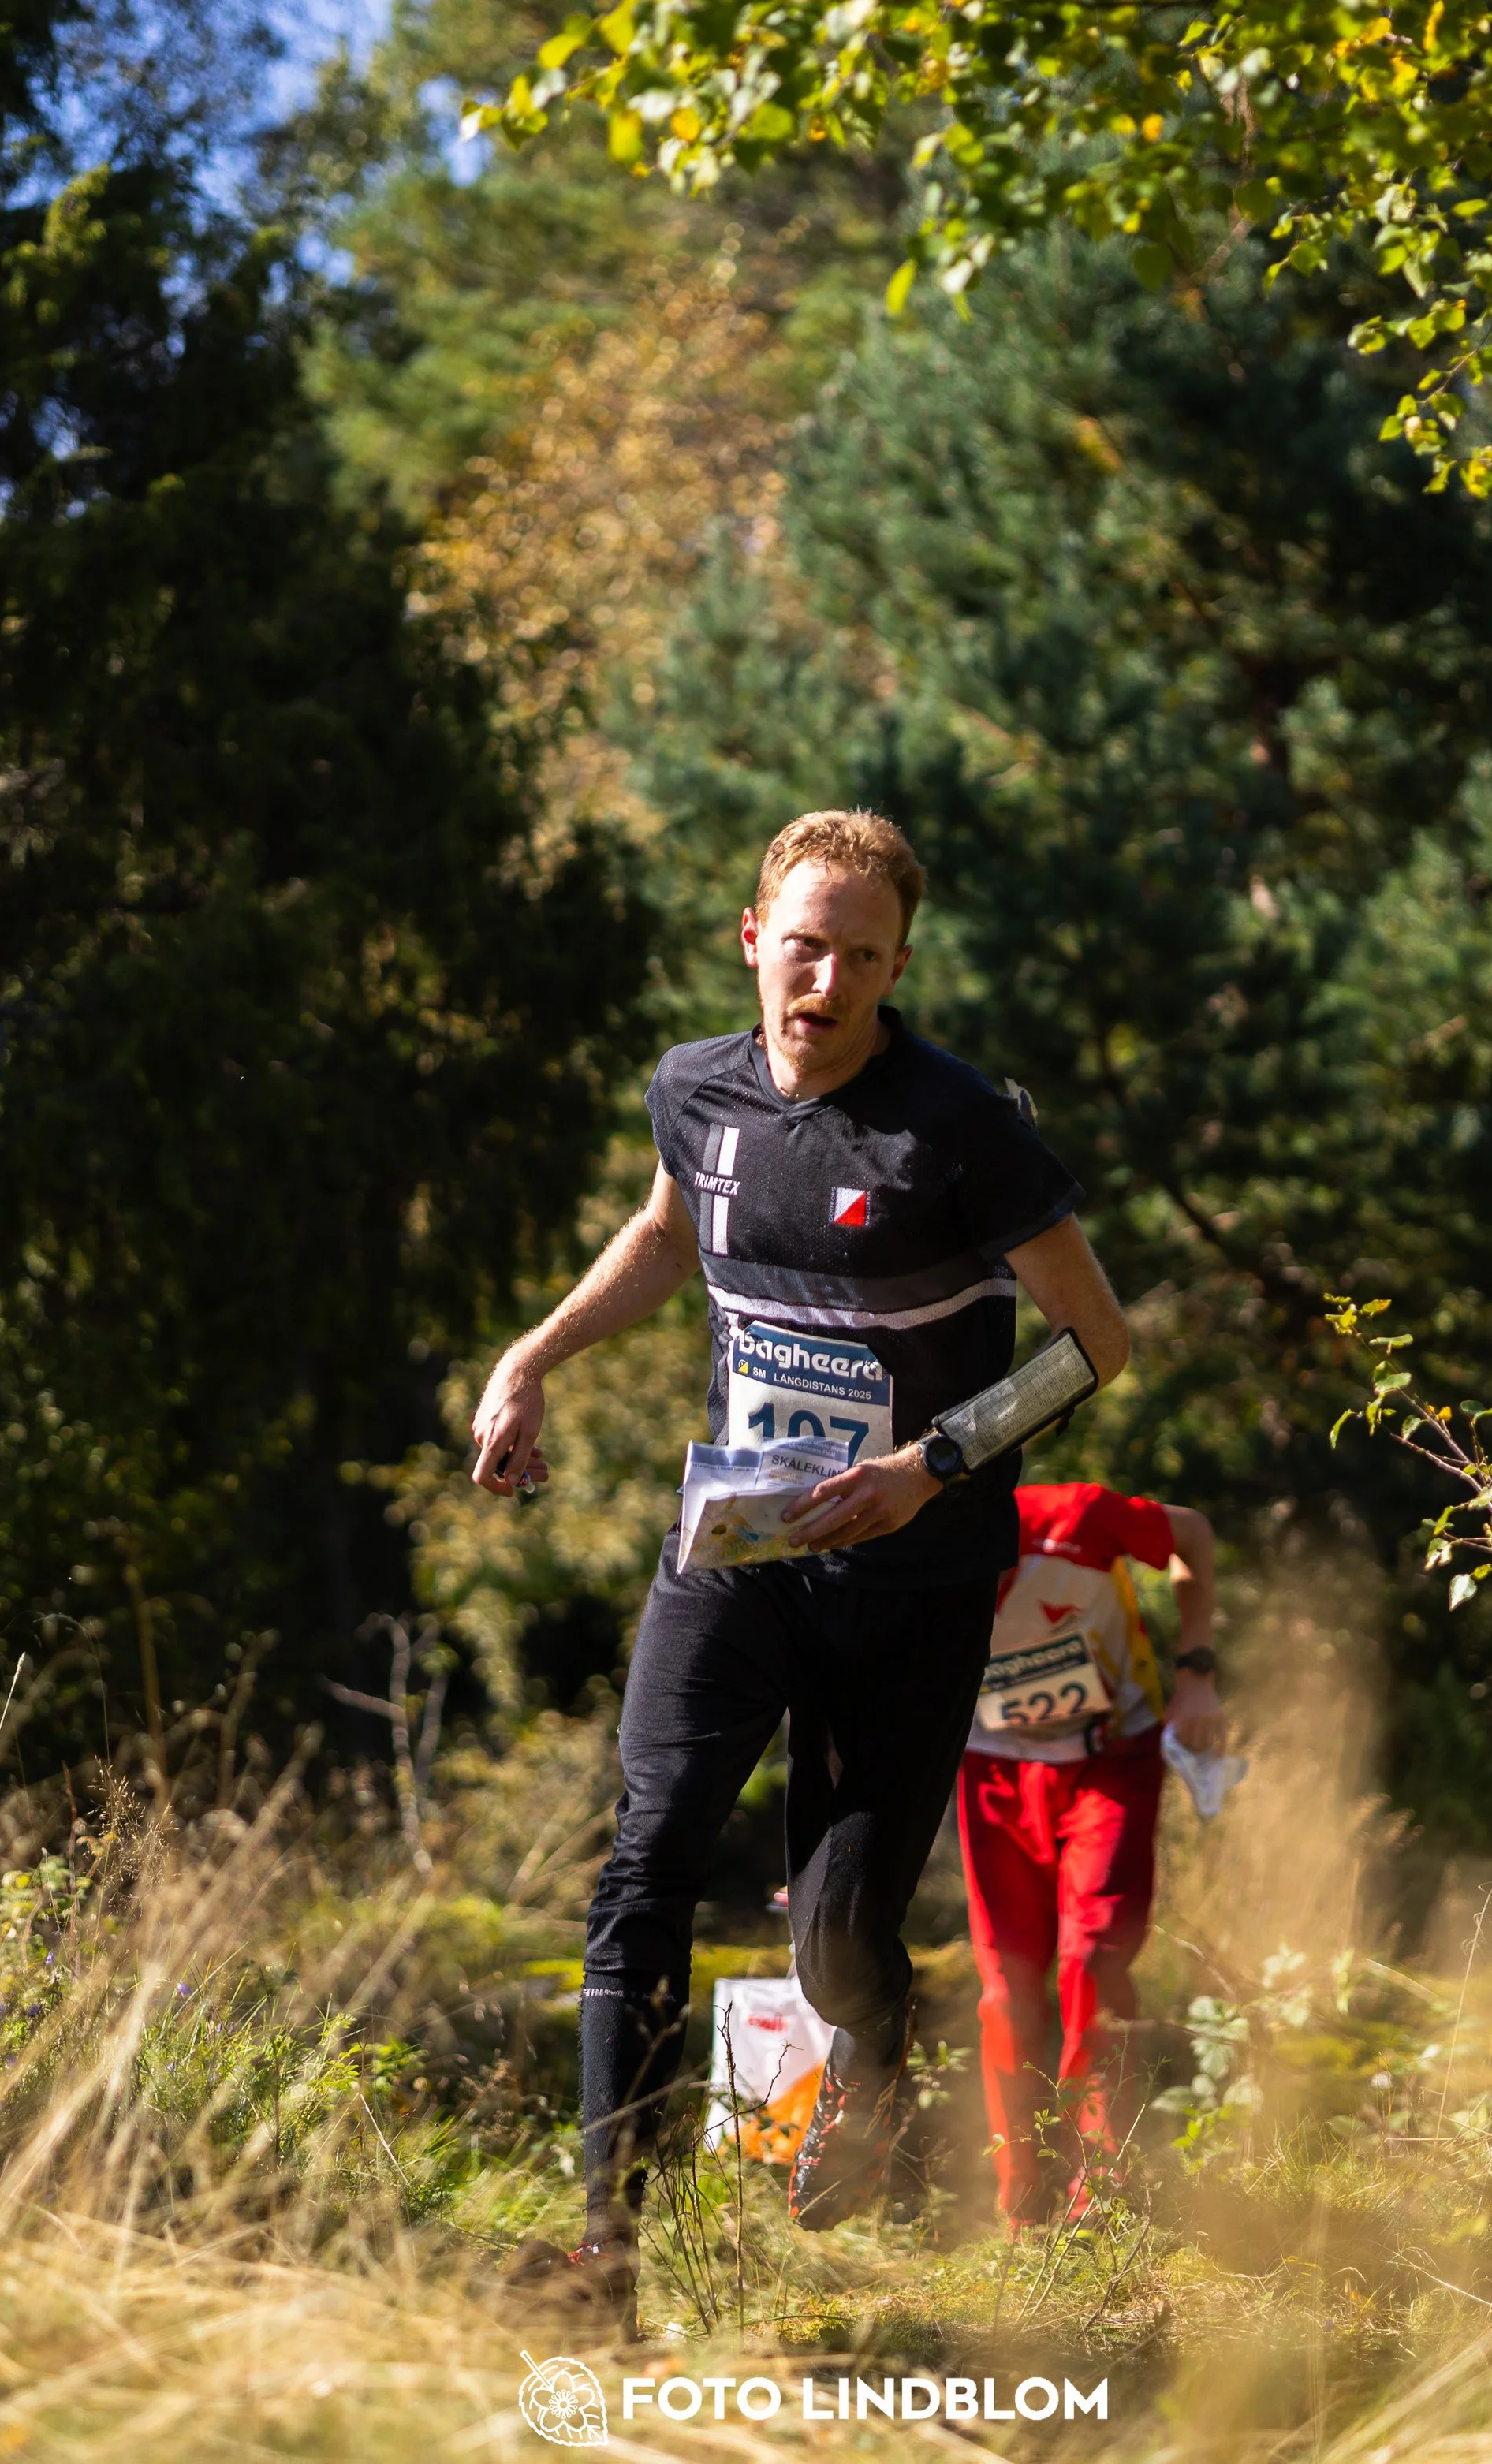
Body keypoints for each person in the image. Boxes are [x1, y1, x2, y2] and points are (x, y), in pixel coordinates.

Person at [471, 810, 1130, 2332]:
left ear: (900, 968)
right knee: (647, 1867)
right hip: (736, 1559)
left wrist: (929, 1469)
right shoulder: (693, 1090)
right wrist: (535, 1356)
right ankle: (603, 2260)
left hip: (912, 1580)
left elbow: (1100, 1343)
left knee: (838, 1940)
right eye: (804, 944)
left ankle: (879, 2073)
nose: (824, 979)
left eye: (862, 956)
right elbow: (666, 1234)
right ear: (753, 937)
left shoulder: (957, 1126)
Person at [957, 1482, 1220, 2224]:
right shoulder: (912, 1557)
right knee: (1006, 1992)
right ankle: (1023, 2209)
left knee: (1092, 1964)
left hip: (1111, 1758)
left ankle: (1098, 2196)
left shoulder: (1072, 1517)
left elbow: (1194, 1532)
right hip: (991, 1768)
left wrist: (1197, 1675)